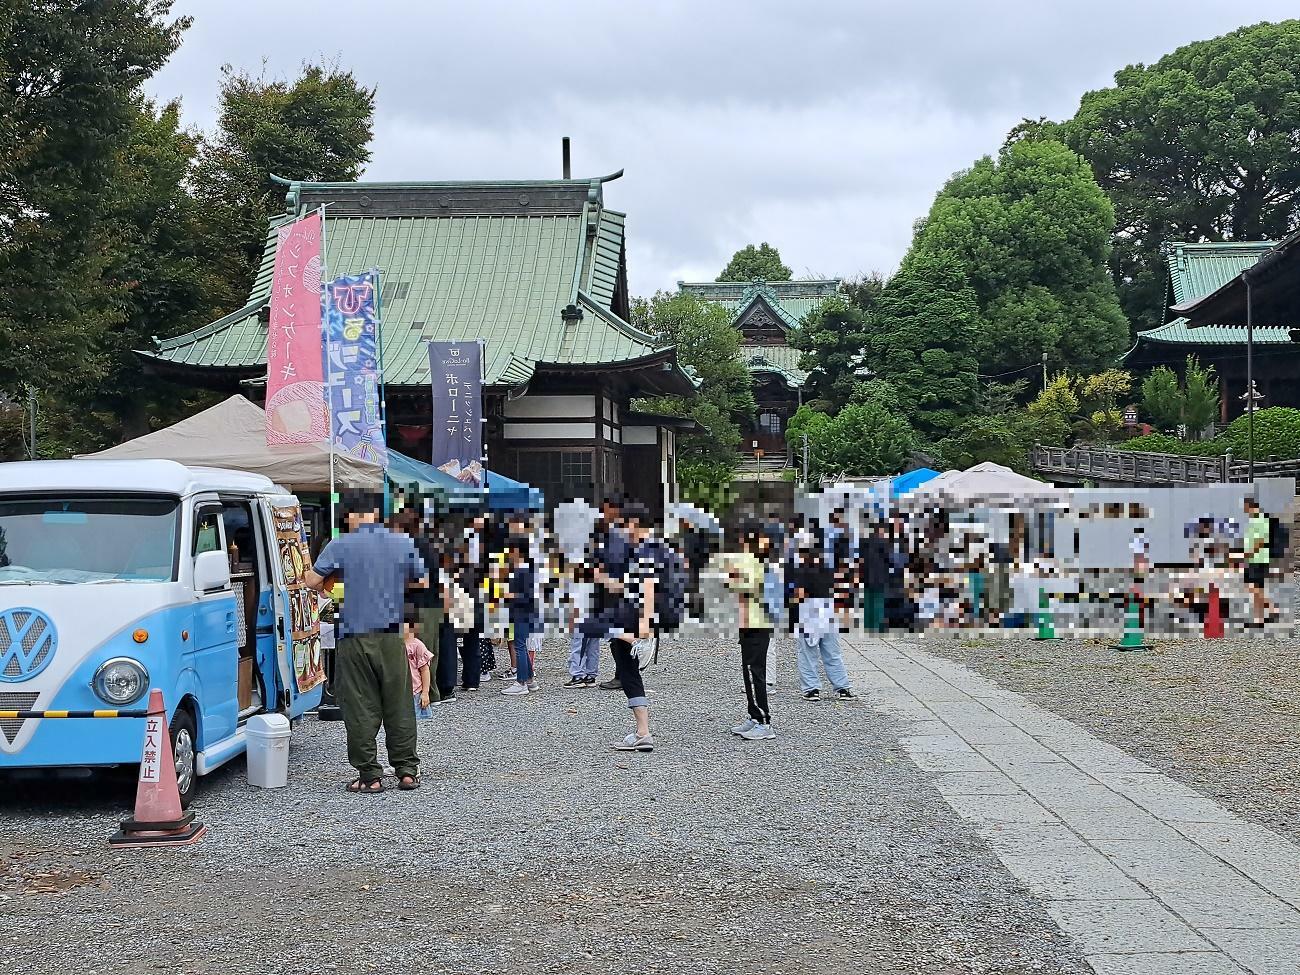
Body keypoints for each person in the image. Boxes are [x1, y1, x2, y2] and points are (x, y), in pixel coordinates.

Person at [305, 493, 428, 793]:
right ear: (377, 513)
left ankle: (370, 776)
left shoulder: (341, 544)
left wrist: (328, 579)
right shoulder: (401, 542)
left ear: (349, 516)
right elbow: (422, 582)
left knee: (360, 704)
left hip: (353, 635)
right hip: (390, 634)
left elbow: (311, 581)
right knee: (398, 702)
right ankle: (407, 770)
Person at [597, 502, 657, 751]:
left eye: (625, 525)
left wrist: (645, 626)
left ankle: (643, 732)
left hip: (636, 617)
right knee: (629, 673)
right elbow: (628, 587)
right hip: (629, 612)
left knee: (629, 672)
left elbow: (651, 589)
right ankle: (642, 731)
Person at [723, 524, 776, 741]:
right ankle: (754, 716)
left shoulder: (761, 566)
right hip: (748, 624)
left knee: (756, 673)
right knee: (748, 672)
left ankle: (763, 721)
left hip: (758, 625)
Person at [788, 531, 856, 701]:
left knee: (808, 653)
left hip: (809, 613)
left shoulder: (801, 570)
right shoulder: (827, 569)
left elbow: (799, 595)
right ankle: (842, 688)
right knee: (832, 652)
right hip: (828, 612)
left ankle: (812, 689)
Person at [501, 538, 540, 696]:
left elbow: (528, 596)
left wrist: (509, 595)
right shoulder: (522, 569)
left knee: (520, 646)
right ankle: (530, 679)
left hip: (521, 612)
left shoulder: (523, 570)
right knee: (520, 645)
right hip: (521, 611)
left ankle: (521, 681)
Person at [1243, 497, 1272, 625]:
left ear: (1251, 506)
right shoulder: (1253, 520)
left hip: (1258, 558)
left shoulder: (1261, 520)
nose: (1245, 510)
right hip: (1252, 558)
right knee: (1255, 588)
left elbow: (1260, 541)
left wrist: (1248, 553)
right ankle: (1262, 616)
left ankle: (1269, 611)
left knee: (1254, 588)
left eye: (1245, 508)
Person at [860, 522, 891, 634]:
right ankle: (877, 625)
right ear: (880, 531)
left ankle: (868, 625)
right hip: (879, 577)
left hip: (866, 576)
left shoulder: (864, 542)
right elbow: (889, 560)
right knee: (878, 602)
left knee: (868, 601)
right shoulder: (884, 544)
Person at [405, 622, 434, 718]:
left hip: (414, 691)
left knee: (414, 723)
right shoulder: (390, 644)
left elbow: (425, 670)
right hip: (396, 692)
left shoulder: (417, 645)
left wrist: (425, 692)